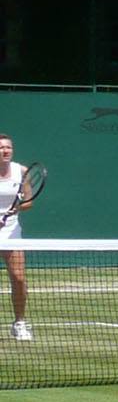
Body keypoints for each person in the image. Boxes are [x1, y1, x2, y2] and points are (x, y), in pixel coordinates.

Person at [0, 133, 30, 339]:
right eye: (1, 148)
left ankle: (19, 323)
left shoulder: (22, 172)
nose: (5, 151)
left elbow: (29, 202)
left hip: (11, 231)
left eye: (8, 147)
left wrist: (16, 209)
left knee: (19, 278)